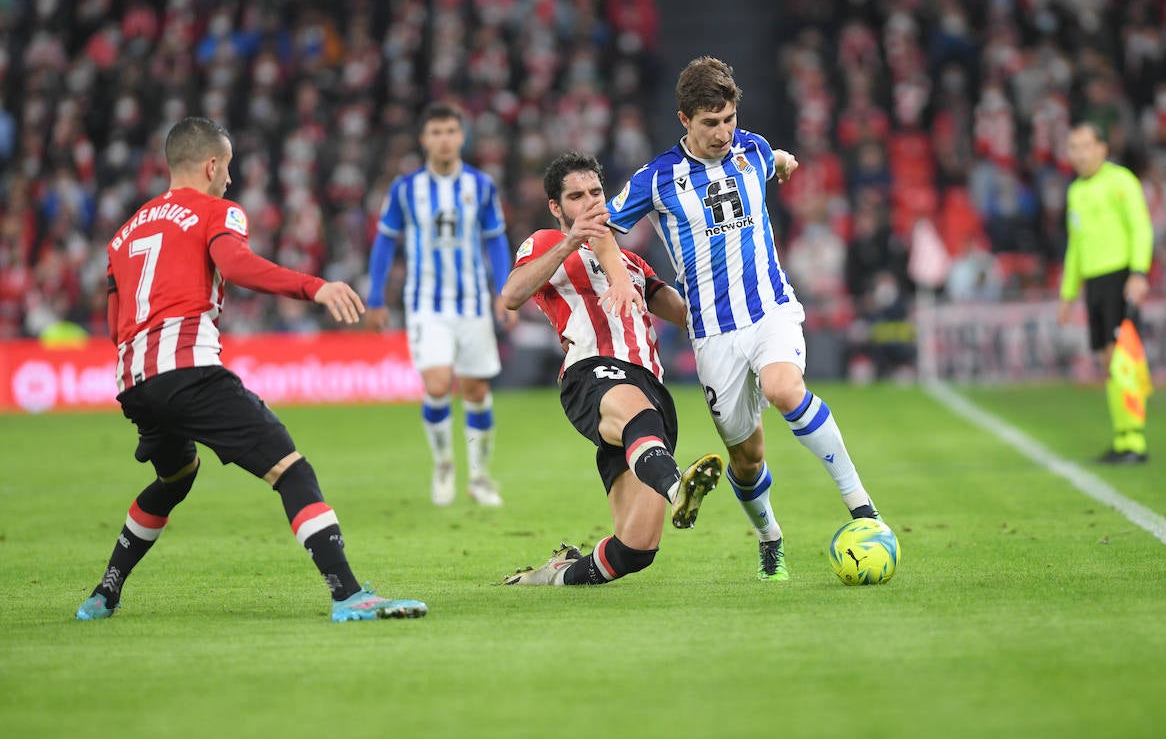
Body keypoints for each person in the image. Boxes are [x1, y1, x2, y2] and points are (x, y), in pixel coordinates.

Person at [76, 117, 427, 623]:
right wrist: (316, 287)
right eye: (229, 168)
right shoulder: (217, 211)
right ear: (212, 164)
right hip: (188, 370)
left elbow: (114, 324)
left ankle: (103, 595)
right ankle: (348, 595)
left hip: (134, 381)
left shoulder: (124, 233)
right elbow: (238, 267)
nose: (231, 180)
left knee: (175, 477)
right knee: (291, 469)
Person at [597, 56, 882, 581]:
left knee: (783, 388)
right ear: (684, 119)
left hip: (770, 309)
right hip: (712, 335)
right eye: (710, 123)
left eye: (728, 119)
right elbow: (599, 228)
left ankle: (863, 507)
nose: (723, 133)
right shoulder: (657, 179)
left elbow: (770, 157)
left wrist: (783, 159)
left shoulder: (750, 147)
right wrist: (617, 276)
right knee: (747, 459)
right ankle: (770, 538)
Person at [497, 151, 723, 585]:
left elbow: (685, 314)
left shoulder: (631, 262)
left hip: (650, 384)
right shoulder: (546, 243)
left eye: (596, 192)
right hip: (592, 371)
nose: (590, 202)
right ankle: (678, 486)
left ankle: (550, 577)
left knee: (637, 549)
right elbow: (512, 294)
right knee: (639, 415)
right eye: (576, 196)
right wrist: (570, 240)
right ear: (556, 207)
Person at [365, 102, 516, 508]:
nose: (444, 139)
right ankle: (445, 465)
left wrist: (504, 292)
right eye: (436, 132)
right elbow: (384, 241)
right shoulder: (404, 188)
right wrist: (376, 296)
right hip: (426, 305)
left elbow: (496, 240)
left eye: (451, 131)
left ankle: (481, 477)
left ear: (461, 136)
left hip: (471, 304)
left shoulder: (481, 186)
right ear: (424, 139)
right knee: (436, 385)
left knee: (476, 390)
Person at [1056, 121, 1154, 464]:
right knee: (1106, 360)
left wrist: (1139, 271)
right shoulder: (1075, 192)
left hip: (1120, 275)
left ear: (1102, 148)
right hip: (1094, 283)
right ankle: (1121, 438)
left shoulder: (1120, 181)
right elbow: (1075, 247)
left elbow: (1141, 226)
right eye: (1073, 147)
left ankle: (1135, 441)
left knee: (1122, 358)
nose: (1079, 153)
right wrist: (1067, 294)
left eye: (1085, 145)